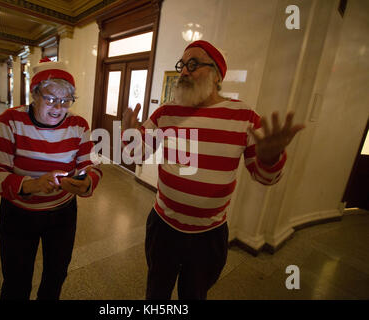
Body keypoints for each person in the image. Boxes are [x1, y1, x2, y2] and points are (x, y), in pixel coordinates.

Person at [122, 40, 305, 300]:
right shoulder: (166, 112)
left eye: (193, 65)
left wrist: (269, 158)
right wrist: (129, 135)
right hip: (163, 227)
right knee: (156, 292)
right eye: (182, 65)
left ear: (217, 75)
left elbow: (266, 178)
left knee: (195, 295)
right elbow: (137, 154)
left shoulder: (244, 117)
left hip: (208, 236)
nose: (184, 71)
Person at [0, 57, 102, 300]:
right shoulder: (11, 120)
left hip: (63, 213)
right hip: (19, 214)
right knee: (16, 280)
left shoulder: (79, 125)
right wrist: (30, 185)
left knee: (56, 276)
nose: (59, 107)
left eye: (66, 100)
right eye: (51, 98)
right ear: (34, 95)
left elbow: (92, 164)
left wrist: (87, 182)